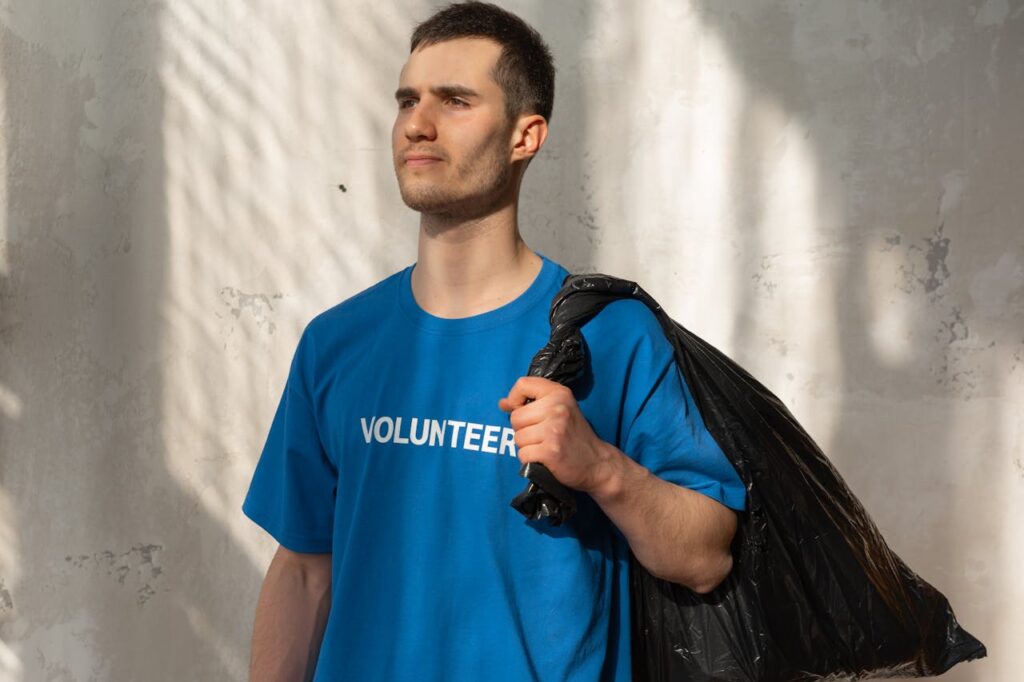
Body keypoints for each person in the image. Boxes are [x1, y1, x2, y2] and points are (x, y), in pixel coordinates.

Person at [242, 2, 746, 680]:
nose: (417, 124)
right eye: (407, 100)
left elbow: (707, 557)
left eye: (455, 101)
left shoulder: (609, 334)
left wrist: (600, 467)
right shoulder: (337, 342)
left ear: (525, 136)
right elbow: (305, 571)